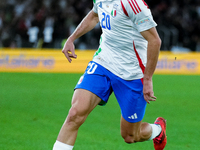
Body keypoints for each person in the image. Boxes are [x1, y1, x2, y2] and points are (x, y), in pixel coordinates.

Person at [53, 0, 167, 149]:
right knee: (74, 114)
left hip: (131, 73)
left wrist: (147, 79)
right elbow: (94, 16)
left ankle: (158, 130)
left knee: (130, 136)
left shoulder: (133, 4)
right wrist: (72, 38)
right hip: (103, 63)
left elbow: (154, 40)